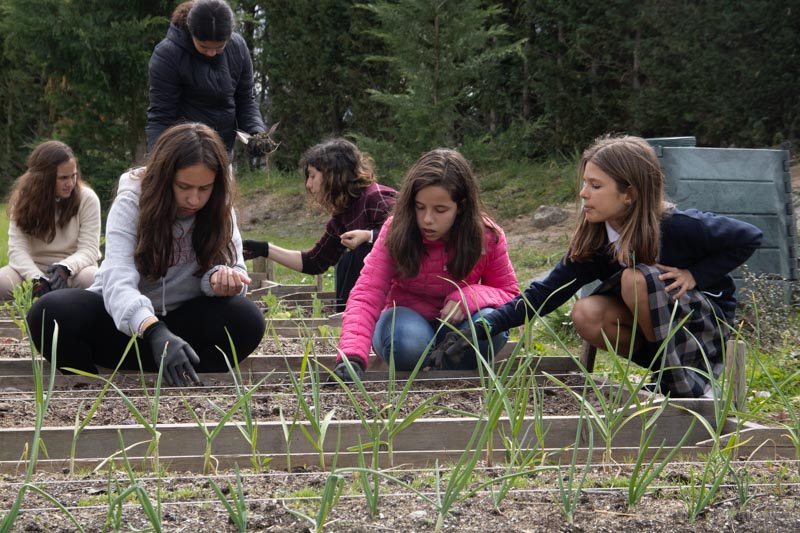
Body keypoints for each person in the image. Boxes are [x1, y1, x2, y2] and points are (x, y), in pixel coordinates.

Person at [432, 135, 763, 398]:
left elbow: (749, 237)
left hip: (701, 327)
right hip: (658, 331)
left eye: (596, 185)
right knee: (585, 313)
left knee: (636, 279)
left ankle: (684, 379)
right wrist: (485, 326)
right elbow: (545, 294)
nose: (583, 193)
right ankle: (665, 372)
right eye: (584, 183)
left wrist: (695, 275)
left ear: (629, 194)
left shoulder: (677, 226)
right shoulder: (596, 242)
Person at [27, 123, 266, 387]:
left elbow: (237, 272)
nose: (194, 199)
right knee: (47, 313)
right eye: (184, 186)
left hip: (184, 332)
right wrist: (153, 331)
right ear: (165, 177)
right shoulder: (132, 202)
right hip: (128, 330)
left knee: (248, 319)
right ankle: (92, 389)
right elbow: (117, 281)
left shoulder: (220, 208)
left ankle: (187, 379)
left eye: (204, 189)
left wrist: (219, 280)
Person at [331, 148, 520, 381]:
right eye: (420, 208)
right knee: (406, 344)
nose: (427, 219)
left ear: (461, 207)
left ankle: (443, 367)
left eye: (440, 210)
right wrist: (351, 357)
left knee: (490, 327)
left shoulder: (487, 236)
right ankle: (439, 365)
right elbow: (367, 293)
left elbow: (511, 294)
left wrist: (469, 297)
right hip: (405, 323)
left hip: (459, 328)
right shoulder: (395, 231)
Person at [242, 138, 397, 311]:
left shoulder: (377, 198)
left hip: (393, 301)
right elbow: (314, 262)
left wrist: (369, 237)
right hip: (366, 304)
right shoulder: (341, 216)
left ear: (333, 175)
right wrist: (263, 249)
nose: (308, 184)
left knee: (353, 256)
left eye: (313, 176)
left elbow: (405, 235)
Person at [146, 0, 267, 156]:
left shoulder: (238, 48)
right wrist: (157, 159)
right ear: (191, 33)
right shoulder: (168, 55)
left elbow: (245, 100)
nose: (211, 53)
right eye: (203, 47)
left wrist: (256, 132)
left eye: (219, 47)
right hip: (184, 152)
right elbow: (161, 116)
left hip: (222, 150)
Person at [0, 141, 101, 300]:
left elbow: (89, 249)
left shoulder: (88, 199)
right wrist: (35, 278)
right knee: (2, 281)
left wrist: (65, 268)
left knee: (92, 278)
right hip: (32, 269)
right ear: (43, 179)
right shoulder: (22, 201)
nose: (70, 183)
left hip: (73, 272)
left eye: (73, 175)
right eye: (63, 178)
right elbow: (17, 250)